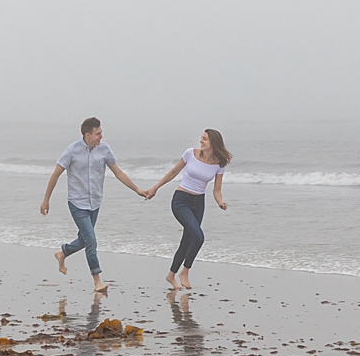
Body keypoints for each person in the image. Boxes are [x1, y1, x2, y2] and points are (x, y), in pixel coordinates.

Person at [40, 117, 146, 292]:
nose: (101, 137)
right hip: (77, 203)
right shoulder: (71, 151)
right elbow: (55, 175)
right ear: (87, 135)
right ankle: (97, 280)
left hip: (95, 202)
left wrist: (137, 190)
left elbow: (118, 173)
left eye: (101, 133)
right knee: (91, 241)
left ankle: (63, 253)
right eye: (98, 133)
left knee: (84, 239)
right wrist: (46, 200)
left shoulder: (104, 150)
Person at [145, 128, 231, 290]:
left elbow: (217, 190)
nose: (201, 141)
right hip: (181, 200)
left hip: (199, 203)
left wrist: (220, 202)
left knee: (188, 239)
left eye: (205, 139)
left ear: (213, 142)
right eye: (201, 138)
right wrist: (155, 188)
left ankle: (171, 275)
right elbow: (173, 172)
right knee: (198, 237)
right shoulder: (190, 154)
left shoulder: (219, 163)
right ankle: (185, 271)